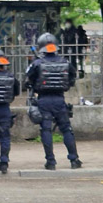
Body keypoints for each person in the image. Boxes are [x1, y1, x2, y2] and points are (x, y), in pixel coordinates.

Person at [25, 33, 81, 170]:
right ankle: (74, 160)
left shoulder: (37, 63)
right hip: (60, 99)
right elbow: (73, 77)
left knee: (46, 130)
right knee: (67, 129)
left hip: (44, 100)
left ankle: (51, 162)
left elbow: (28, 80)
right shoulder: (65, 62)